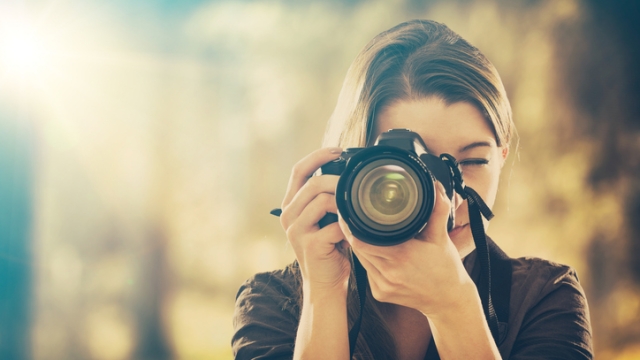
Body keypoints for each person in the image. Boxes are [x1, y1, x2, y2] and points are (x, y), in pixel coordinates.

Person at [232, 19, 593, 359]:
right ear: (351, 169)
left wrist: (454, 306)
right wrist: (324, 293)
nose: (445, 200)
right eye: (412, 168)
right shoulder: (273, 302)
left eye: (471, 163)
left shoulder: (544, 296)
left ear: (501, 156)